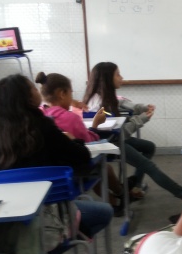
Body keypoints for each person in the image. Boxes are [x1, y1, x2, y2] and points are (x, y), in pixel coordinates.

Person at [0, 75, 113, 254]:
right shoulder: (41, 126)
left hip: (6, 217)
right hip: (48, 213)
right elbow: (81, 157)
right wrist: (72, 141)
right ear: (26, 97)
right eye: (32, 87)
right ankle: (48, 248)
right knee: (103, 212)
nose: (38, 90)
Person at [83, 62, 182, 203]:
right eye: (118, 74)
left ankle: (135, 187)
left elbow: (123, 106)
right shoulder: (99, 104)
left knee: (149, 147)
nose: (122, 77)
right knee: (149, 167)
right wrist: (142, 119)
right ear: (107, 78)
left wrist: (142, 108)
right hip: (110, 143)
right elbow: (121, 132)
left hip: (112, 138)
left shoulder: (103, 97)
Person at [36, 71, 124, 209]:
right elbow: (89, 142)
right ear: (62, 94)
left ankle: (116, 200)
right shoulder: (71, 118)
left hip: (46, 173)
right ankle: (120, 195)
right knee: (102, 167)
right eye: (71, 94)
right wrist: (95, 125)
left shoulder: (38, 115)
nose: (72, 98)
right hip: (72, 169)